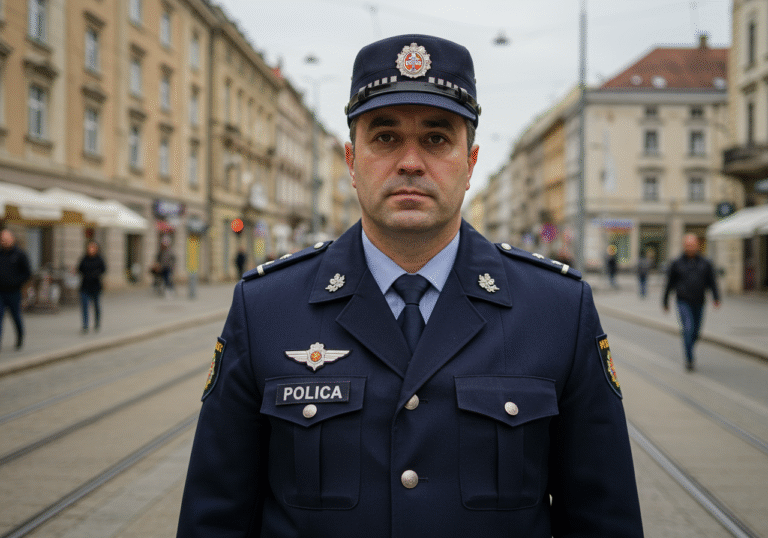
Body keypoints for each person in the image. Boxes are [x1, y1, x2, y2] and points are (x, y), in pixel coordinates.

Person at [177, 34, 643, 537]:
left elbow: (603, 517)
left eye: (438, 139)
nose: (411, 162)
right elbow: (215, 516)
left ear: (471, 164)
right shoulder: (266, 308)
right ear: (352, 163)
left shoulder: (557, 311)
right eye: (385, 137)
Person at [663, 233, 720, 371]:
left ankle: (689, 346)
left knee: (696, 332)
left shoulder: (705, 262)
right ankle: (689, 359)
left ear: (697, 245)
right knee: (688, 329)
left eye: (692, 245)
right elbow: (670, 283)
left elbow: (711, 281)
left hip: (699, 301)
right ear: (684, 246)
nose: (690, 247)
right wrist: (665, 301)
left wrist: (716, 297)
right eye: (688, 245)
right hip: (683, 301)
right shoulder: (677, 263)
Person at [0, 230, 31, 351]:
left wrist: (17, 282)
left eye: (6, 239)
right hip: (0, 292)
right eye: (2, 239)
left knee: (16, 316)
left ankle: (20, 337)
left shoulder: (20, 254)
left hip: (14, 292)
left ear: (12, 239)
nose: (4, 242)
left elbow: (27, 273)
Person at [76, 240, 106, 333]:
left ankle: (97, 323)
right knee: (84, 306)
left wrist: (95, 274)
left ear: (97, 249)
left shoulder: (99, 259)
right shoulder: (84, 258)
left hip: (96, 286)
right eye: (90, 247)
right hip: (85, 286)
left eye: (93, 248)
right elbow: (79, 268)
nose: (91, 249)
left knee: (96, 306)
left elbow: (104, 269)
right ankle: (85, 325)